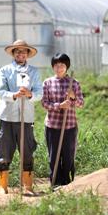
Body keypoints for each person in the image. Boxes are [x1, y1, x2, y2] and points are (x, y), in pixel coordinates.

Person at [0, 39, 42, 194]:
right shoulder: (5, 70)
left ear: (27, 54)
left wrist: (30, 94)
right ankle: (3, 187)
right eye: (17, 51)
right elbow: (0, 91)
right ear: (13, 53)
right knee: (4, 151)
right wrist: (14, 94)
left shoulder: (34, 71)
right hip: (7, 117)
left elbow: (39, 94)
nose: (20, 54)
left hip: (26, 117)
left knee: (27, 151)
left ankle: (27, 186)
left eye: (23, 51)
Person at [41, 53, 84, 188]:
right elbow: (44, 103)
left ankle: (67, 184)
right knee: (54, 155)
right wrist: (59, 106)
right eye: (57, 65)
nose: (59, 68)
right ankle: (55, 183)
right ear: (53, 67)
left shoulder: (74, 83)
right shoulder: (48, 82)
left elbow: (81, 104)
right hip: (52, 125)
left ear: (67, 67)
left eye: (62, 65)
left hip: (69, 126)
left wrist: (73, 97)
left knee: (68, 156)